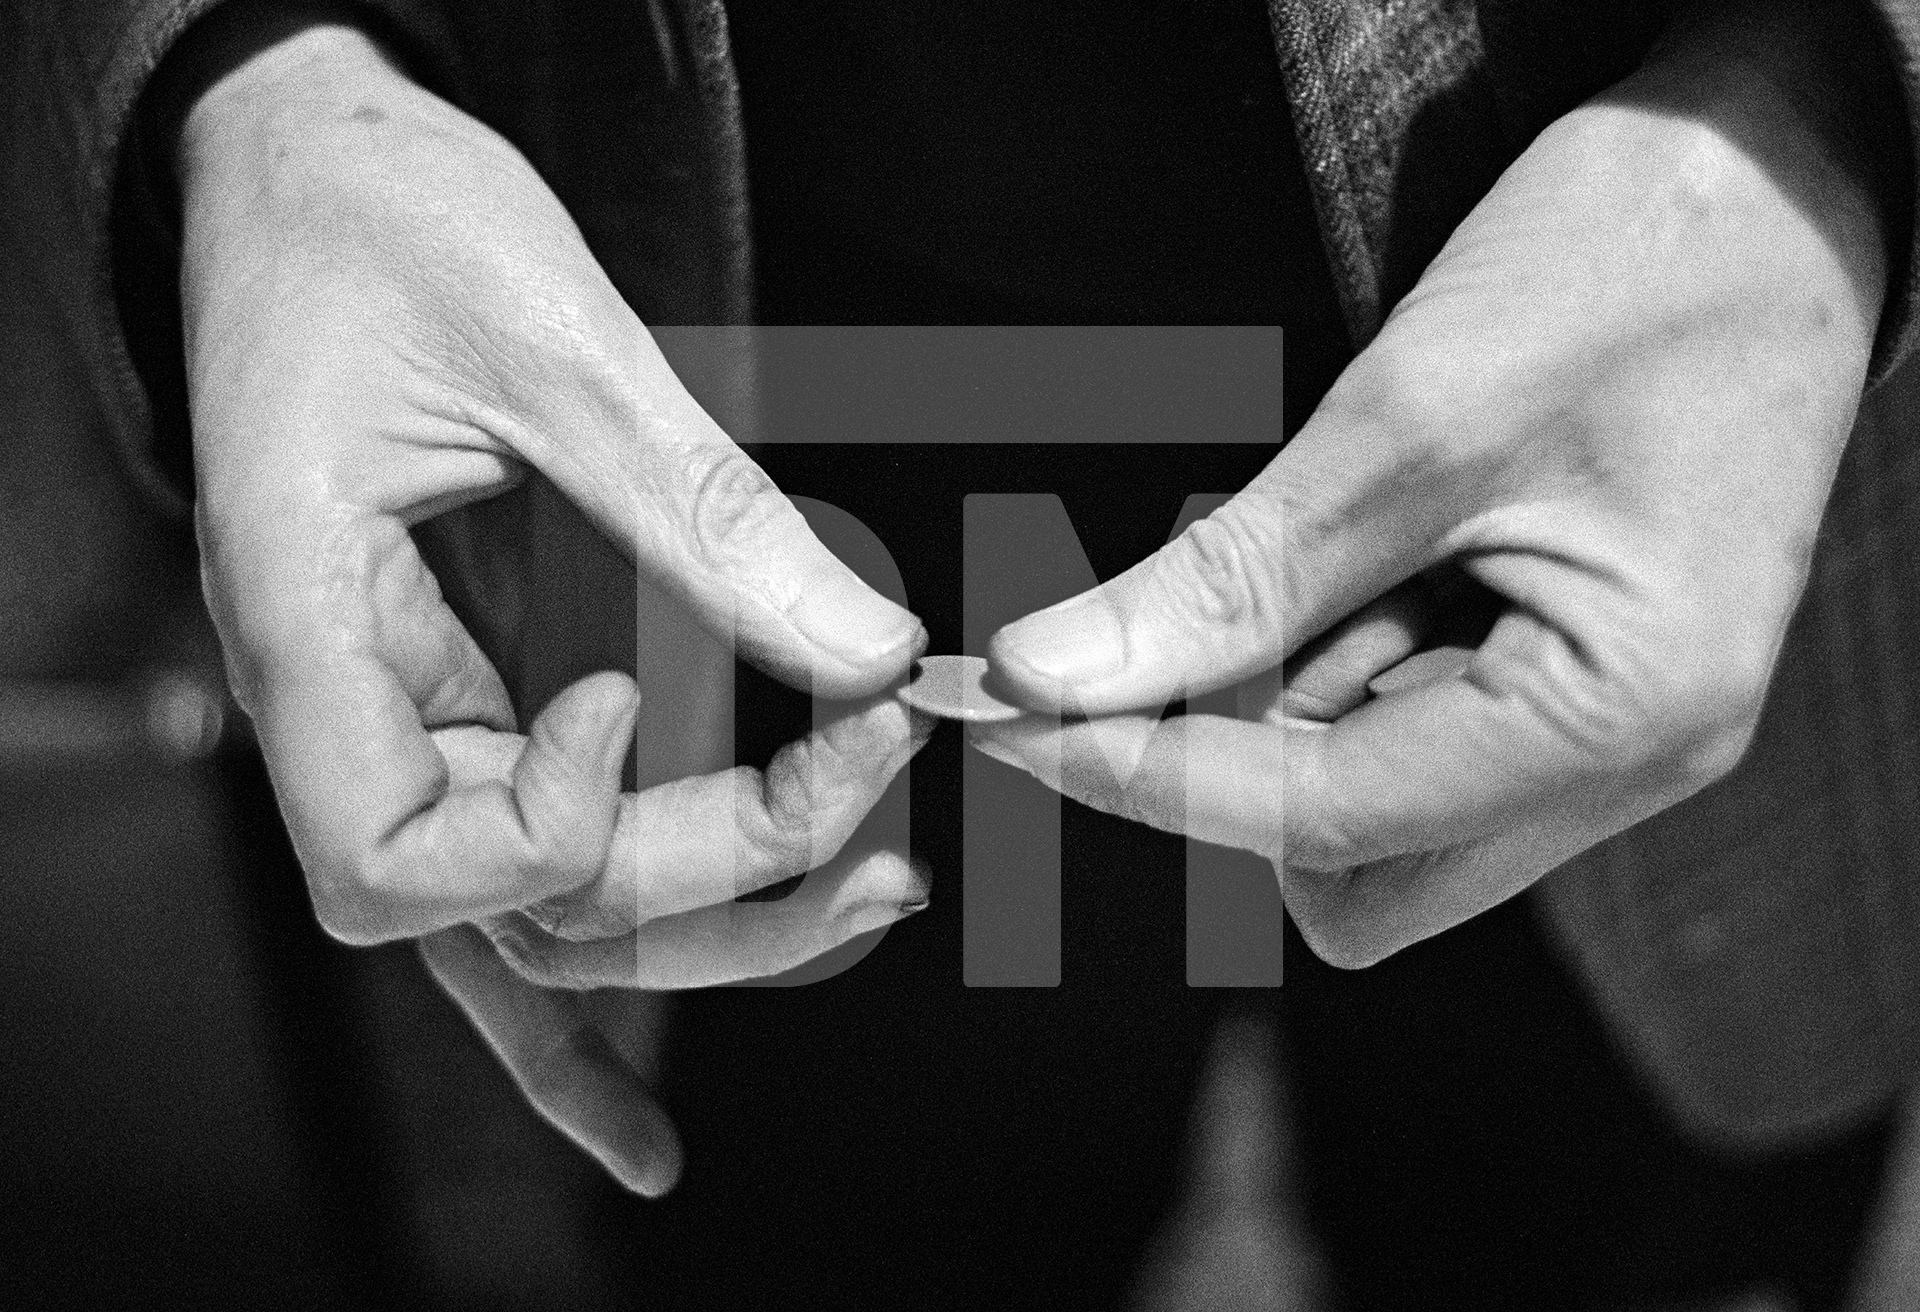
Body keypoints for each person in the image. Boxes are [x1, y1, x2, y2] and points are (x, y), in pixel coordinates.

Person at [8, 0, 1920, 1305]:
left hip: (1679, 473)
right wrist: (262, 81)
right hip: (710, 384)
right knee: (862, 1236)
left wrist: (1830, 103)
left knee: (1583, 1225)